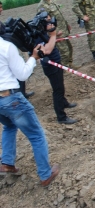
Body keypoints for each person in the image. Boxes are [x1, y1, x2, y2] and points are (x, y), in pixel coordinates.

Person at [0, 24, 60, 186]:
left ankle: (7, 163)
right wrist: (34, 57)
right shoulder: (6, 47)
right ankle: (45, 174)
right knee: (36, 135)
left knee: (9, 127)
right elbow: (23, 74)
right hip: (10, 97)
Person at [34, 13, 79, 123]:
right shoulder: (37, 36)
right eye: (48, 22)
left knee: (60, 85)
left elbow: (50, 43)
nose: (51, 24)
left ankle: (64, 103)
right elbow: (47, 50)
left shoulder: (43, 32)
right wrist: (53, 35)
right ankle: (61, 117)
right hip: (51, 66)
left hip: (56, 62)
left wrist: (52, 35)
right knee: (57, 90)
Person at [37, 0, 74, 67]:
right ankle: (65, 68)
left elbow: (60, 15)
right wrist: (56, 32)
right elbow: (46, 23)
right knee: (64, 52)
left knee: (70, 48)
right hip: (57, 33)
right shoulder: (42, 7)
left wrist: (66, 24)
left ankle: (70, 64)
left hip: (63, 29)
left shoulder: (53, 1)